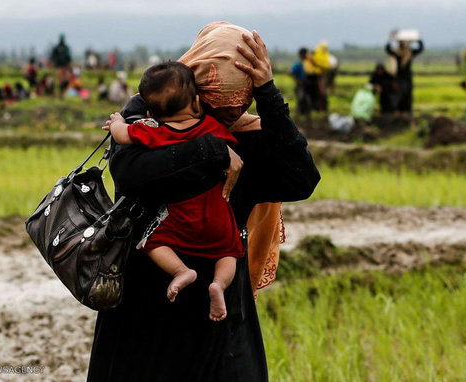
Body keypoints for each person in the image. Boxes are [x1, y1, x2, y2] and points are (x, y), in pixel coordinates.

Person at [87, 22, 320, 382]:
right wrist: (210, 149)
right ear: (195, 84)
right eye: (219, 101)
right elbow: (128, 172)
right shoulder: (152, 108)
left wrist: (269, 96)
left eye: (240, 101)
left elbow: (302, 180)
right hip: (147, 311)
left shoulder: (250, 136)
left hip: (222, 318)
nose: (229, 112)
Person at [104, 61, 244, 321]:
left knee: (152, 243)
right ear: (196, 102)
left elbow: (122, 136)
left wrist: (117, 122)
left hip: (180, 216)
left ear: (150, 112)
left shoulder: (155, 130)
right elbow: (231, 142)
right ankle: (219, 285)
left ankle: (181, 271)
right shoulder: (212, 129)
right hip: (218, 213)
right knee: (229, 251)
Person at [385, 39, 424, 114]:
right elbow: (388, 49)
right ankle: (400, 111)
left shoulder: (409, 53)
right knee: (399, 95)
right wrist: (391, 39)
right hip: (400, 78)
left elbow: (420, 49)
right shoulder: (398, 54)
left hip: (407, 78)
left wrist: (418, 40)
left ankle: (407, 111)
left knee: (407, 95)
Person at [290, 47, 312, 126]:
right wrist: (297, 80)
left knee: (306, 103)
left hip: (304, 86)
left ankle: (306, 122)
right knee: (301, 102)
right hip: (300, 87)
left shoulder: (303, 63)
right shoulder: (298, 63)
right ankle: (297, 122)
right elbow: (290, 72)